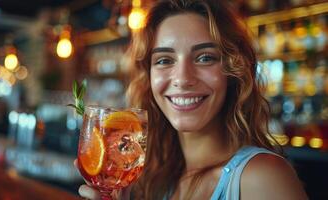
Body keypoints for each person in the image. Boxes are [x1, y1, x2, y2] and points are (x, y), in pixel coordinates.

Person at [77, 0, 308, 199]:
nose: (183, 79)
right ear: (148, 77)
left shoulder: (263, 177)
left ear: (234, 71)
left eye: (205, 58)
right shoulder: (160, 178)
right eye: (164, 60)